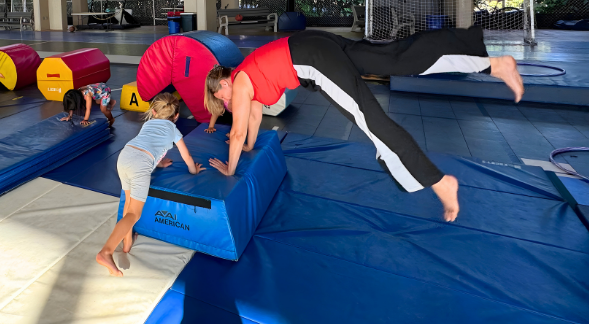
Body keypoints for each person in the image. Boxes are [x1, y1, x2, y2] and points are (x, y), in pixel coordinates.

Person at [204, 27, 525, 222]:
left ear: (222, 86)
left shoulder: (241, 79)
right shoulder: (249, 76)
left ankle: (439, 182)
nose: (227, 104)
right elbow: (253, 120)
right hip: (315, 43)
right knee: (395, 58)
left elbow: (235, 130)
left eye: (222, 99)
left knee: (370, 119)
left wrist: (231, 170)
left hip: (312, 58)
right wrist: (248, 146)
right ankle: (493, 64)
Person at [96, 93, 203, 277]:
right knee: (134, 213)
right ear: (176, 116)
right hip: (140, 165)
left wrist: (158, 162)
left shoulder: (148, 124)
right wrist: (194, 171)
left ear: (153, 112)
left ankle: (127, 244)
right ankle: (106, 251)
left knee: (128, 204)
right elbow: (187, 157)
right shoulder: (174, 130)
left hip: (125, 155)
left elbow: (147, 145)